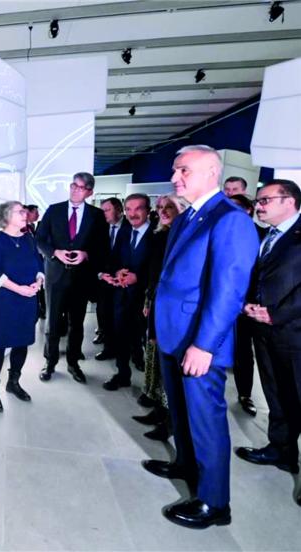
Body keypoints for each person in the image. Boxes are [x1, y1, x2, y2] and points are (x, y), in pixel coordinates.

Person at [142, 145, 259, 529]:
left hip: (199, 342)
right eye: (175, 170)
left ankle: (214, 502)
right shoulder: (188, 217)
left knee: (206, 419)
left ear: (211, 172)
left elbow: (228, 291)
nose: (174, 177)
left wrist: (204, 345)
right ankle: (185, 464)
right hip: (174, 334)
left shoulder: (230, 219)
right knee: (180, 410)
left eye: (183, 170)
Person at [236, 179, 301, 508]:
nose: (258, 206)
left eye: (265, 200)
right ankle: (281, 450)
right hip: (263, 330)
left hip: (294, 331)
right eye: (258, 201)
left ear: (289, 201)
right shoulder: (265, 236)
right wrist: (248, 304)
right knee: (276, 393)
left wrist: (276, 313)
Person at [36, 172, 108, 384]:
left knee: (76, 324)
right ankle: (49, 362)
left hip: (81, 277)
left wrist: (86, 254)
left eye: (81, 187)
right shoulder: (54, 210)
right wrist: (54, 252)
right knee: (52, 323)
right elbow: (39, 240)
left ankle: (73, 363)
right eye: (73, 185)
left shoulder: (96, 215)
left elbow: (103, 247)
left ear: (89, 192)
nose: (75, 190)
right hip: (55, 276)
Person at [132, 194, 187, 441]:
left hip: (173, 309)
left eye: (170, 207)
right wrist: (148, 301)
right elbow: (153, 274)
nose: (163, 211)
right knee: (155, 356)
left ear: (182, 209)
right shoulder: (160, 236)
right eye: (160, 207)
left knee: (170, 365)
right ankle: (159, 409)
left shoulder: (185, 237)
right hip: (156, 303)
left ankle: (170, 420)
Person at [0, 201, 44, 412]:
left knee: (22, 342)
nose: (25, 214)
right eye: (20, 211)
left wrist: (38, 282)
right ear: (6, 216)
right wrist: (19, 289)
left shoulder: (28, 238)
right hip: (4, 300)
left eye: (24, 211)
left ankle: (13, 382)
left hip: (28, 299)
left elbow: (39, 263)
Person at [101, 194, 153, 391]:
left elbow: (161, 269)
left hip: (146, 298)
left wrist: (138, 277)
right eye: (129, 209)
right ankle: (123, 374)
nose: (133, 214)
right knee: (120, 335)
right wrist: (117, 272)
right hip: (122, 295)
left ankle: (151, 387)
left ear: (148, 210)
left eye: (138, 208)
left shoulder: (158, 235)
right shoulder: (124, 232)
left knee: (146, 340)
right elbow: (114, 259)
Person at [228, 193, 265, 417]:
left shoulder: (263, 236)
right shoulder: (219, 233)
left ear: (248, 210)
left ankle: (245, 394)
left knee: (243, 351)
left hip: (247, 305)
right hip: (221, 302)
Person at [94, 197, 126, 360]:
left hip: (125, 281)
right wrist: (100, 274)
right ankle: (108, 348)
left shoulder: (131, 227)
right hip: (104, 281)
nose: (104, 214)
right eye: (103, 211)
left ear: (119, 210)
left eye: (107, 210)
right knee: (104, 315)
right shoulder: (100, 228)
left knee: (124, 319)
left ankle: (130, 353)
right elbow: (94, 254)